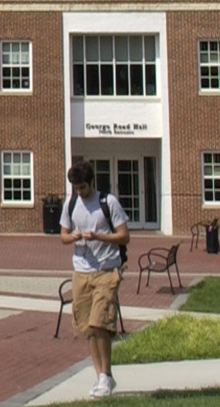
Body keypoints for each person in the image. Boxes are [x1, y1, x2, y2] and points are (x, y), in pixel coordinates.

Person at [56, 160, 130, 399]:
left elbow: (124, 236)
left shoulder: (108, 203)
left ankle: (106, 374)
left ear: (92, 183)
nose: (80, 192)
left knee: (101, 323)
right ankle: (100, 376)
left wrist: (99, 236)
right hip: (81, 271)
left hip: (107, 270)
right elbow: (63, 236)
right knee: (88, 326)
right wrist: (74, 236)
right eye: (76, 188)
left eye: (83, 188)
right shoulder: (72, 203)